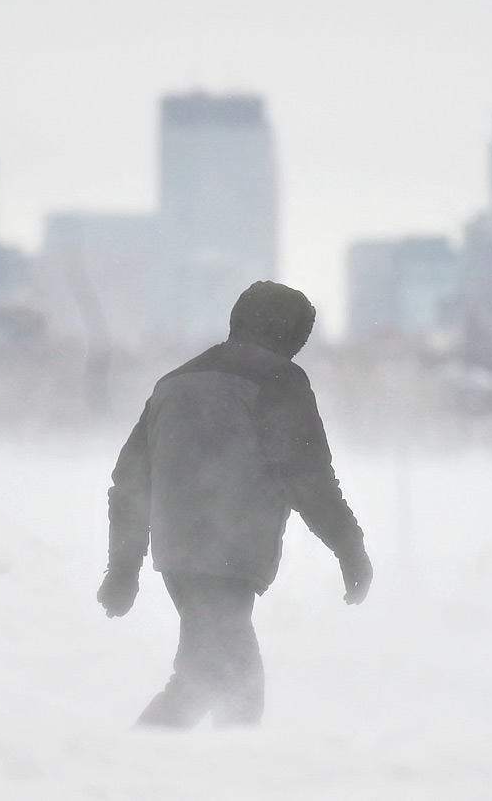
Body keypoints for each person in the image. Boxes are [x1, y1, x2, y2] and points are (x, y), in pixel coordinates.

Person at [96, 281, 373, 728]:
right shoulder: (279, 380)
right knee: (232, 687)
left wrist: (123, 570)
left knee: (207, 678)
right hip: (229, 555)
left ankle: (164, 771)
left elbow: (130, 482)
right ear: (288, 332)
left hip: (179, 557)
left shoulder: (174, 382)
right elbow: (310, 478)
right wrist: (350, 550)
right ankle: (158, 773)